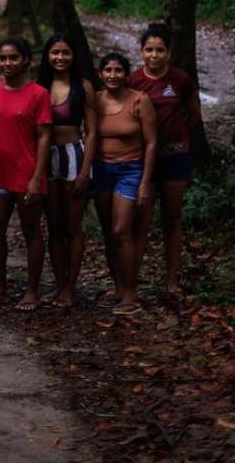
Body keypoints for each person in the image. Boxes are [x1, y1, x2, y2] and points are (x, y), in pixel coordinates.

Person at [0, 37, 51, 311]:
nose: (7, 63)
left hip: (28, 171)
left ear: (26, 60)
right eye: (3, 58)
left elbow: (44, 137)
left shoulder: (38, 94)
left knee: (31, 230)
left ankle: (32, 291)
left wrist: (36, 176)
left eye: (13, 58)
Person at [129, 23, 201, 301]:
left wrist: (178, 136)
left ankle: (171, 279)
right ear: (141, 52)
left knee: (172, 219)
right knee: (141, 221)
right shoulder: (133, 81)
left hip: (175, 158)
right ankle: (130, 282)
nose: (154, 55)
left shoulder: (180, 80)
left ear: (168, 52)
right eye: (149, 50)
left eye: (160, 50)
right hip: (143, 161)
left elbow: (194, 114)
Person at [93, 51, 157, 317]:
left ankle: (131, 293)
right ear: (101, 74)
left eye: (118, 70)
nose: (112, 75)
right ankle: (118, 288)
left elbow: (152, 143)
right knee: (109, 232)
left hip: (130, 171)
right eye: (107, 70)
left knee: (122, 230)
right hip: (102, 171)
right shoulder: (95, 101)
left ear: (126, 74)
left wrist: (145, 182)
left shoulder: (140, 100)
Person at [37, 33, 97, 307]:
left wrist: (85, 172)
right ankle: (59, 283)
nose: (60, 57)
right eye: (55, 52)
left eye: (65, 52)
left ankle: (71, 286)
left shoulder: (82, 87)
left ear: (74, 57)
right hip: (46, 159)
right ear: (47, 56)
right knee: (54, 225)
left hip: (74, 155)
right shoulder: (39, 87)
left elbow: (93, 132)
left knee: (73, 226)